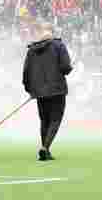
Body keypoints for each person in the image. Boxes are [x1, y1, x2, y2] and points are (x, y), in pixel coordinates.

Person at [23, 21, 73, 162]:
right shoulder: (58, 46)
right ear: (51, 32)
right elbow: (65, 67)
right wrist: (69, 68)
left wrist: (30, 89)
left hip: (39, 92)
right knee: (55, 120)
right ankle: (45, 148)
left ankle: (45, 149)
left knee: (44, 120)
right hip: (57, 90)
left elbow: (26, 72)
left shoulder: (32, 49)